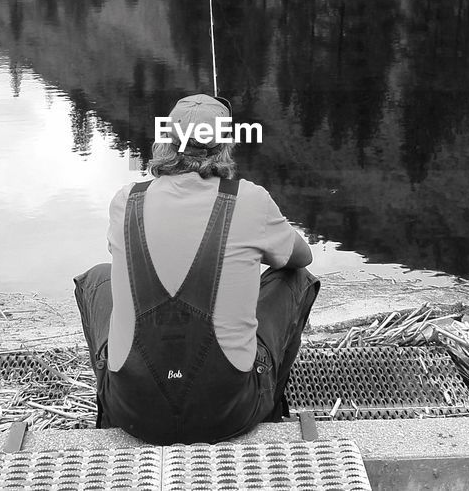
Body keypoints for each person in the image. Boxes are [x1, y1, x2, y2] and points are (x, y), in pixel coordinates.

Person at [74, 94, 319, 445]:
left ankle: (110, 404)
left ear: (166, 144)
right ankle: (270, 407)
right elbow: (302, 258)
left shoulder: (125, 199)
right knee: (295, 278)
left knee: (98, 278)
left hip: (132, 412)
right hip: (230, 412)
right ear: (223, 146)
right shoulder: (251, 199)